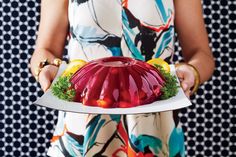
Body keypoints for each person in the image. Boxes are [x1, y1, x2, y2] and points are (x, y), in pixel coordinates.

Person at [30, 0, 215, 156]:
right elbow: (44, 50)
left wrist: (192, 72)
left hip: (157, 132)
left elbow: (202, 55)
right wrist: (45, 68)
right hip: (81, 131)